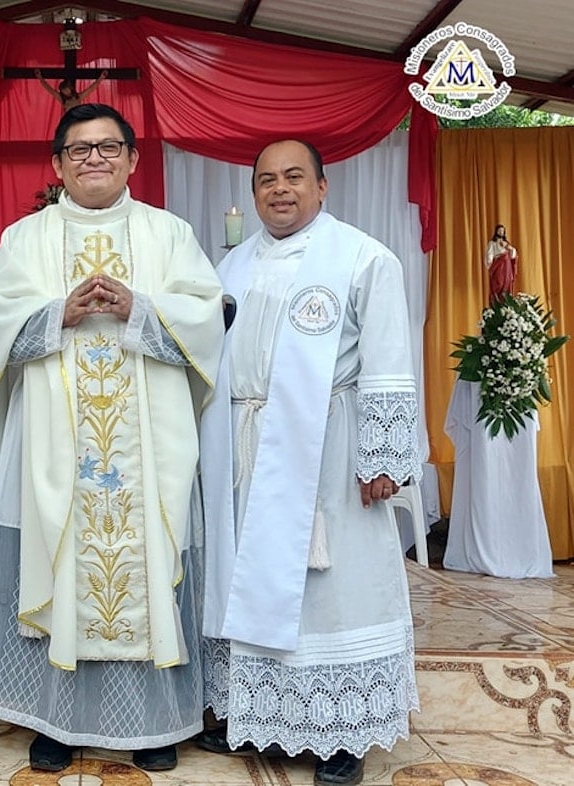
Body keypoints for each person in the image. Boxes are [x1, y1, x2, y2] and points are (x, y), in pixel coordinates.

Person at [0, 103, 225, 773]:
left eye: (109, 147)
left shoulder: (169, 234)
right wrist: (58, 314)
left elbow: (206, 323)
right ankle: (54, 721)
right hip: (51, 445)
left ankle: (153, 723)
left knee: (147, 564)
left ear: (133, 159)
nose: (95, 159)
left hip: (150, 445)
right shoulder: (25, 238)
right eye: (79, 149)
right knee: (56, 562)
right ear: (57, 164)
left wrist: (142, 309)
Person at [198, 139, 420, 786]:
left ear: (322, 187)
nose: (280, 189)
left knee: (332, 590)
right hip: (244, 445)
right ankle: (254, 713)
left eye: (294, 177)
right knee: (250, 579)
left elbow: (388, 358)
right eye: (266, 180)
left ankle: (340, 731)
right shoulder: (231, 265)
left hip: (329, 447)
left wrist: (382, 455)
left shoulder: (362, 257)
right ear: (253, 194)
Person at [35, 69, 108, 111]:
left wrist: (101, 77)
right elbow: (49, 89)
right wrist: (40, 77)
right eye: (63, 90)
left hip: (78, 118)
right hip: (68, 120)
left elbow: (91, 88)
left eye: (66, 89)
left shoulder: (78, 97)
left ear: (70, 88)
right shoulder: (62, 98)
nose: (65, 91)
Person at [485, 223, 518, 300]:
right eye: (499, 231)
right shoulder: (492, 243)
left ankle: (505, 301)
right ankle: (496, 300)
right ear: (496, 231)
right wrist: (490, 261)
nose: (501, 232)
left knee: (507, 283)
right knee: (499, 282)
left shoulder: (506, 243)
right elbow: (489, 253)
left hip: (507, 266)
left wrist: (508, 248)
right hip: (498, 265)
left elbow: (513, 254)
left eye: (502, 231)